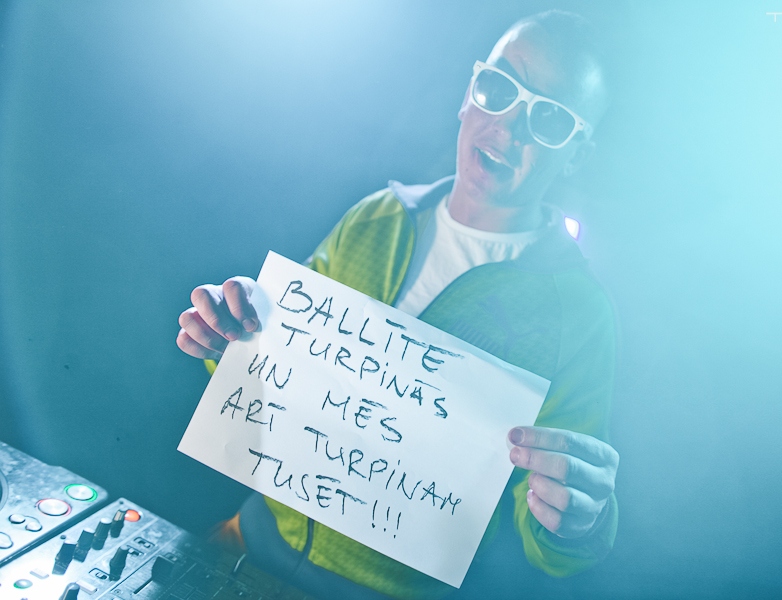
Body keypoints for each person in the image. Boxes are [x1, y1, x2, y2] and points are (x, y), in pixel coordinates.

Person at [176, 10, 619, 600]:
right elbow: (269, 373)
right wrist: (225, 332)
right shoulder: (376, 216)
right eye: (498, 88)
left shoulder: (579, 314)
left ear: (577, 153)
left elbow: (551, 540)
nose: (509, 127)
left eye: (549, 118)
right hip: (246, 544)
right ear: (469, 92)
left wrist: (578, 522)